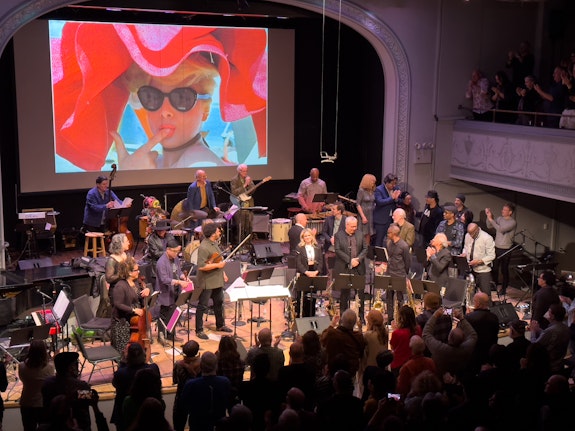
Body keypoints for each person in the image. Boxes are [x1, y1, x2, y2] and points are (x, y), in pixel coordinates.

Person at [54, 23, 267, 170]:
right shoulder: (169, 161)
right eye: (152, 97)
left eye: (182, 98)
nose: (165, 111)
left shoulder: (200, 163)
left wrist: (132, 177)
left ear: (205, 109)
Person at [195, 222, 232, 339]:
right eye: (217, 231)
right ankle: (199, 330)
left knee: (219, 303)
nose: (219, 232)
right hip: (207, 281)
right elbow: (201, 266)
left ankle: (220, 325)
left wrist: (223, 273)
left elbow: (217, 260)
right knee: (203, 305)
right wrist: (218, 266)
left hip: (217, 279)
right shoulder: (204, 247)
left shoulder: (214, 244)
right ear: (212, 233)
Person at [112, 343, 160, 431]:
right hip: (150, 415)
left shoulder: (121, 373)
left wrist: (123, 361)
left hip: (126, 416)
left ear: (127, 357)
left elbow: (115, 384)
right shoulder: (153, 368)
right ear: (143, 355)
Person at [41, 352, 93, 431]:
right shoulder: (81, 386)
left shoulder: (47, 384)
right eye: (76, 364)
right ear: (71, 368)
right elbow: (91, 400)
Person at [422, 307, 478, 379]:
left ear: (449, 337)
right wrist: (461, 319)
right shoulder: (466, 348)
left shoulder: (441, 350)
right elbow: (473, 335)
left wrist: (435, 316)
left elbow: (426, 334)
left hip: (440, 378)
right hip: (462, 376)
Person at [111, 257, 150, 357]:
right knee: (125, 353)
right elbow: (118, 304)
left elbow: (139, 296)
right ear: (129, 272)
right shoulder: (120, 286)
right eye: (136, 270)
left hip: (135, 320)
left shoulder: (136, 282)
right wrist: (133, 310)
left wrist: (146, 290)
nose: (139, 271)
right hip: (123, 323)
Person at [155, 237, 190, 345]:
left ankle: (171, 334)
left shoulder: (175, 259)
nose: (176, 253)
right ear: (168, 249)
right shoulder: (161, 262)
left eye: (178, 251)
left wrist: (183, 277)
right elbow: (164, 279)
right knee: (164, 315)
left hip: (175, 291)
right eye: (174, 251)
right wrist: (179, 282)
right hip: (165, 292)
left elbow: (178, 271)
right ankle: (161, 336)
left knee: (174, 313)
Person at [333, 217, 368, 321]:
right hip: (345, 267)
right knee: (344, 294)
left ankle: (361, 317)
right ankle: (343, 317)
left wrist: (358, 259)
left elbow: (365, 249)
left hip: (358, 267)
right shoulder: (338, 235)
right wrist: (350, 260)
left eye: (355, 226)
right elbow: (337, 250)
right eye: (352, 226)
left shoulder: (360, 234)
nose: (354, 228)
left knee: (360, 293)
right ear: (346, 225)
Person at [18, 340, 55, 431]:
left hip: (27, 403)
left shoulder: (21, 366)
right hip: (43, 403)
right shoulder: (50, 367)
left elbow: (23, 379)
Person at [380, 224, 411, 324]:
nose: (387, 235)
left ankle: (401, 319)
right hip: (390, 273)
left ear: (394, 234)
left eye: (389, 233)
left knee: (400, 299)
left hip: (399, 275)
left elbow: (407, 262)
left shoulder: (404, 246)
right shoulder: (389, 243)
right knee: (389, 297)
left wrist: (405, 274)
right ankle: (390, 319)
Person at [321, 309, 366, 377]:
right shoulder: (359, 336)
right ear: (355, 323)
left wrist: (332, 324)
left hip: (334, 370)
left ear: (341, 320)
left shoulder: (332, 333)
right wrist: (360, 328)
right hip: (351, 372)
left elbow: (323, 338)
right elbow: (361, 353)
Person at [465, 292, 500, 376]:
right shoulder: (494, 317)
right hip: (489, 355)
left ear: (478, 303)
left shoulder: (469, 318)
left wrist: (465, 317)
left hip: (474, 356)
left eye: (474, 301)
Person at [485, 202, 517, 296]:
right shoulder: (499, 218)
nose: (502, 211)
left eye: (505, 210)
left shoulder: (512, 222)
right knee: (494, 268)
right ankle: (494, 285)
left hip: (506, 249)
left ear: (510, 212)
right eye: (502, 209)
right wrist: (488, 216)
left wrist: (491, 219)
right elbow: (490, 225)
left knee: (504, 269)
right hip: (497, 247)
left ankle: (504, 288)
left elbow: (501, 229)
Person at [530, 303, 570, 374]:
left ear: (552, 316)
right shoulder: (565, 328)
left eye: (549, 311)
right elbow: (550, 337)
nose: (547, 313)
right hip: (559, 364)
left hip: (549, 367)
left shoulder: (550, 331)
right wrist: (538, 329)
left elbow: (535, 346)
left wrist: (533, 331)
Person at [294, 228, 324, 317]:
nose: (307, 237)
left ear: (312, 236)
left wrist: (317, 271)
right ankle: (302, 317)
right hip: (304, 274)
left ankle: (312, 315)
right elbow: (298, 262)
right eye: (305, 236)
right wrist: (306, 272)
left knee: (312, 296)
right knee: (303, 297)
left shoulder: (317, 247)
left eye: (309, 235)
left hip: (314, 273)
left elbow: (320, 261)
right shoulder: (299, 248)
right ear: (302, 238)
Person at [172, 340, 201, 431]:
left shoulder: (178, 365)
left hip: (181, 397)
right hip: (197, 397)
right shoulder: (202, 364)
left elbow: (175, 381)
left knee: (178, 425)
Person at [463, 223, 496, 300]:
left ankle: (487, 307)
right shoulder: (467, 235)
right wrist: (464, 253)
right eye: (469, 233)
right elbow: (465, 247)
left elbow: (491, 255)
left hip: (483, 270)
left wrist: (479, 261)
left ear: (477, 229)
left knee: (485, 294)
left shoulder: (487, 238)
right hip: (470, 268)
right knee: (470, 293)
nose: (471, 236)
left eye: (472, 233)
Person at [389, 305, 421, 375]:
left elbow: (392, 347)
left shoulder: (397, 333)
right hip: (414, 363)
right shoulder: (418, 329)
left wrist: (395, 330)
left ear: (401, 318)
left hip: (399, 365)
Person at [373, 173, 401, 247]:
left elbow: (399, 201)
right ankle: (378, 254)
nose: (394, 185)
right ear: (386, 182)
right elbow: (379, 202)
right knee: (379, 240)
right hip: (381, 220)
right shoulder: (379, 189)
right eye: (392, 184)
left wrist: (396, 199)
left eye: (395, 183)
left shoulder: (396, 189)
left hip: (391, 219)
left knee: (390, 240)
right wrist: (392, 198)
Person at [105, 233, 132, 306]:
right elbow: (109, 278)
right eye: (126, 241)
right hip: (117, 290)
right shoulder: (112, 260)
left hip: (127, 287)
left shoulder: (126, 255)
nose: (129, 243)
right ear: (121, 244)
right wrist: (122, 275)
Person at [320, 202, 347, 274]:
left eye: (334, 209)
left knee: (340, 272)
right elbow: (324, 232)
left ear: (339, 211)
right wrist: (330, 239)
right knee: (330, 271)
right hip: (330, 249)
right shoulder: (328, 219)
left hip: (341, 250)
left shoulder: (346, 220)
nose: (332, 210)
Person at [230, 164, 254, 240]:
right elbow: (234, 192)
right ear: (239, 171)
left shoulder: (248, 179)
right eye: (244, 171)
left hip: (248, 205)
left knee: (249, 226)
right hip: (239, 206)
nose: (245, 173)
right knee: (241, 227)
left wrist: (249, 184)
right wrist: (245, 185)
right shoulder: (234, 180)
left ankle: (248, 242)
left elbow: (253, 190)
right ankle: (240, 243)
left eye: (246, 171)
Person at [356, 174, 376, 244]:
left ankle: (367, 248)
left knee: (369, 233)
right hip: (364, 214)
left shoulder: (372, 191)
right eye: (372, 181)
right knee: (363, 233)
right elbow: (358, 204)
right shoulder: (361, 191)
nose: (374, 182)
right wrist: (363, 216)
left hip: (371, 214)